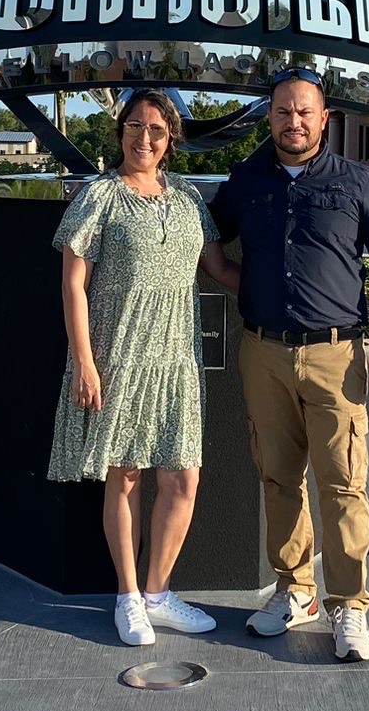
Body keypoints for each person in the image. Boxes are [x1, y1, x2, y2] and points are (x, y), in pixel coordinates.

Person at [210, 67, 369, 663]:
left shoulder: (356, 181)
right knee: (278, 478)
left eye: (304, 112)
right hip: (263, 352)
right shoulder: (246, 181)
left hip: (335, 356)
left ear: (324, 119)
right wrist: (237, 284)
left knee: (343, 484)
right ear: (268, 117)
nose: (293, 122)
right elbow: (210, 245)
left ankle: (348, 604)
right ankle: (294, 591)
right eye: (282, 111)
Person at [49, 90, 241, 647]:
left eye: (156, 129)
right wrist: (85, 362)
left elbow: (219, 268)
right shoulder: (99, 197)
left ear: (170, 139)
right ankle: (128, 597)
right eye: (134, 126)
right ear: (120, 133)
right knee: (126, 473)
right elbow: (73, 283)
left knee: (183, 477)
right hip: (120, 352)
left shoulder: (186, 199)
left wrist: (287, 292)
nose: (144, 137)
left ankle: (158, 594)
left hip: (179, 355)